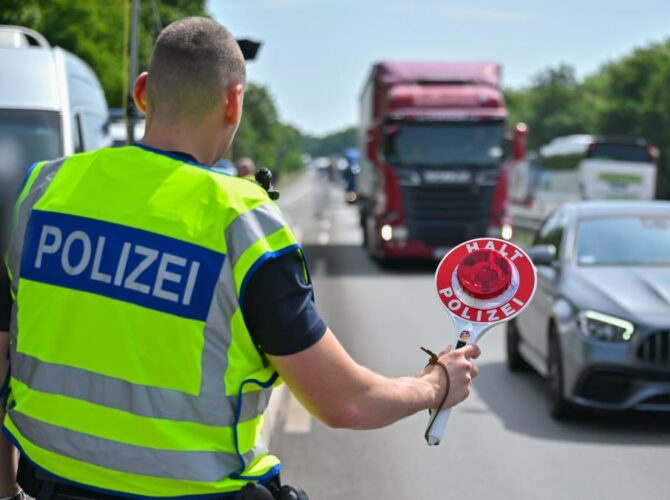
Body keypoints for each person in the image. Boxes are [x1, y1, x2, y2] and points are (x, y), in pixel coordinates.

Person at [0, 17, 479, 499]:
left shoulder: (44, 190)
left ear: (143, 92)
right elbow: (346, 404)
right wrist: (436, 384)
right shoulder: (243, 222)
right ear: (234, 102)